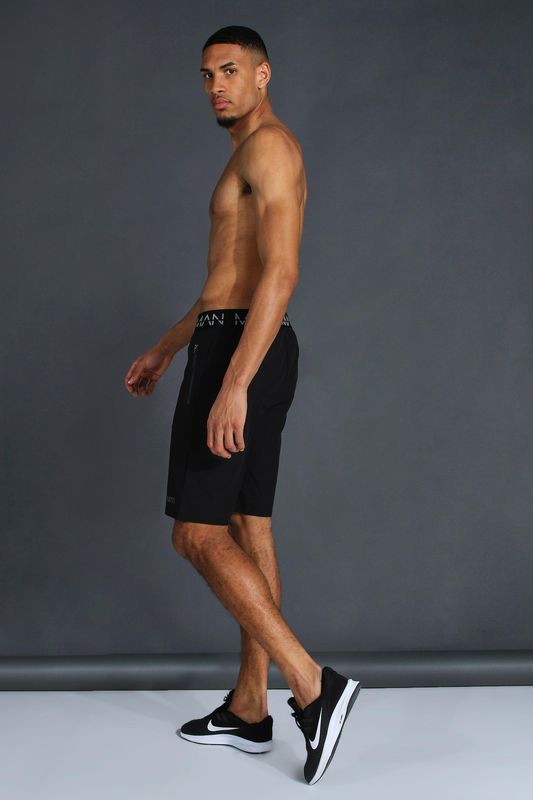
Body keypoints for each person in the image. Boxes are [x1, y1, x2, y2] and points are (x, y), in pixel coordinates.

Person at [123, 25, 360, 785]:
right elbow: (224, 283)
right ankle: (251, 708)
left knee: (196, 535)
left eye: (229, 71)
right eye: (206, 75)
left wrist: (231, 383)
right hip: (237, 339)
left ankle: (313, 685)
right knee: (247, 524)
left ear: (263, 75)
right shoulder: (246, 154)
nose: (215, 86)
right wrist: (167, 347)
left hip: (241, 351)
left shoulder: (269, 149)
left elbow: (280, 274)